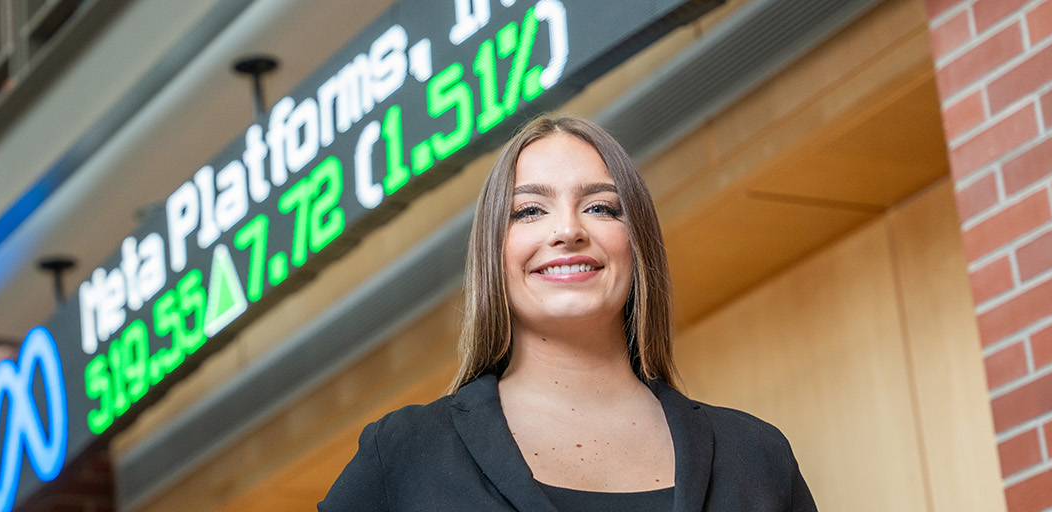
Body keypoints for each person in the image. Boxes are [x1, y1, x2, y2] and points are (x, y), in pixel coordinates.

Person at [318, 116, 815, 511]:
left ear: (637, 244)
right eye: (529, 211)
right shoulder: (405, 455)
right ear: (494, 251)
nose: (567, 230)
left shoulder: (756, 456)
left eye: (601, 208)